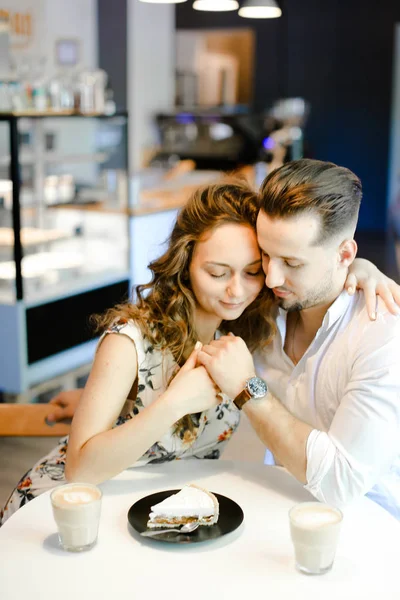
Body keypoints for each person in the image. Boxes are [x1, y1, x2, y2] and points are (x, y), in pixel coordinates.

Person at [0, 177, 397, 526]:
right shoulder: (131, 339)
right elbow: (80, 471)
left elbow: (316, 282)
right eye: (217, 272)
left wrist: (359, 271)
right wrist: (171, 404)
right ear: (186, 261)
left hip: (159, 515)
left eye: (253, 271)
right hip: (67, 510)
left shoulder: (251, 329)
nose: (236, 290)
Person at [196, 159, 400, 519]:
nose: (271, 277)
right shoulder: (260, 300)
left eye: (292, 262)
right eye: (265, 255)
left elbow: (341, 482)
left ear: (345, 255)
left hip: (369, 526)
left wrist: (248, 389)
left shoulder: (384, 335)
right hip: (273, 507)